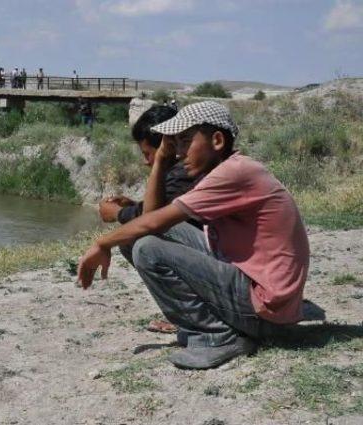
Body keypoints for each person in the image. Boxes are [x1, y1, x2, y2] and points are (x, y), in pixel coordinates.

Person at [77, 101, 310, 370]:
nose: (179, 151)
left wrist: (101, 242)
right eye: (174, 144)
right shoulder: (228, 167)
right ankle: (215, 326)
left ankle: (219, 336)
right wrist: (162, 159)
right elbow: (152, 219)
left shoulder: (233, 173)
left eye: (185, 141)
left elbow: (153, 221)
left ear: (218, 140)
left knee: (147, 249)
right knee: (135, 240)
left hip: (266, 311)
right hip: (257, 292)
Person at [98, 105, 203, 334]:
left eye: (148, 154)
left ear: (168, 145)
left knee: (134, 239)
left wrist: (117, 214)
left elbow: (152, 220)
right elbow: (166, 209)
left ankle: (192, 318)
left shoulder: (183, 171)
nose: (146, 161)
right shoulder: (182, 171)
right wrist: (134, 206)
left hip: (222, 263)